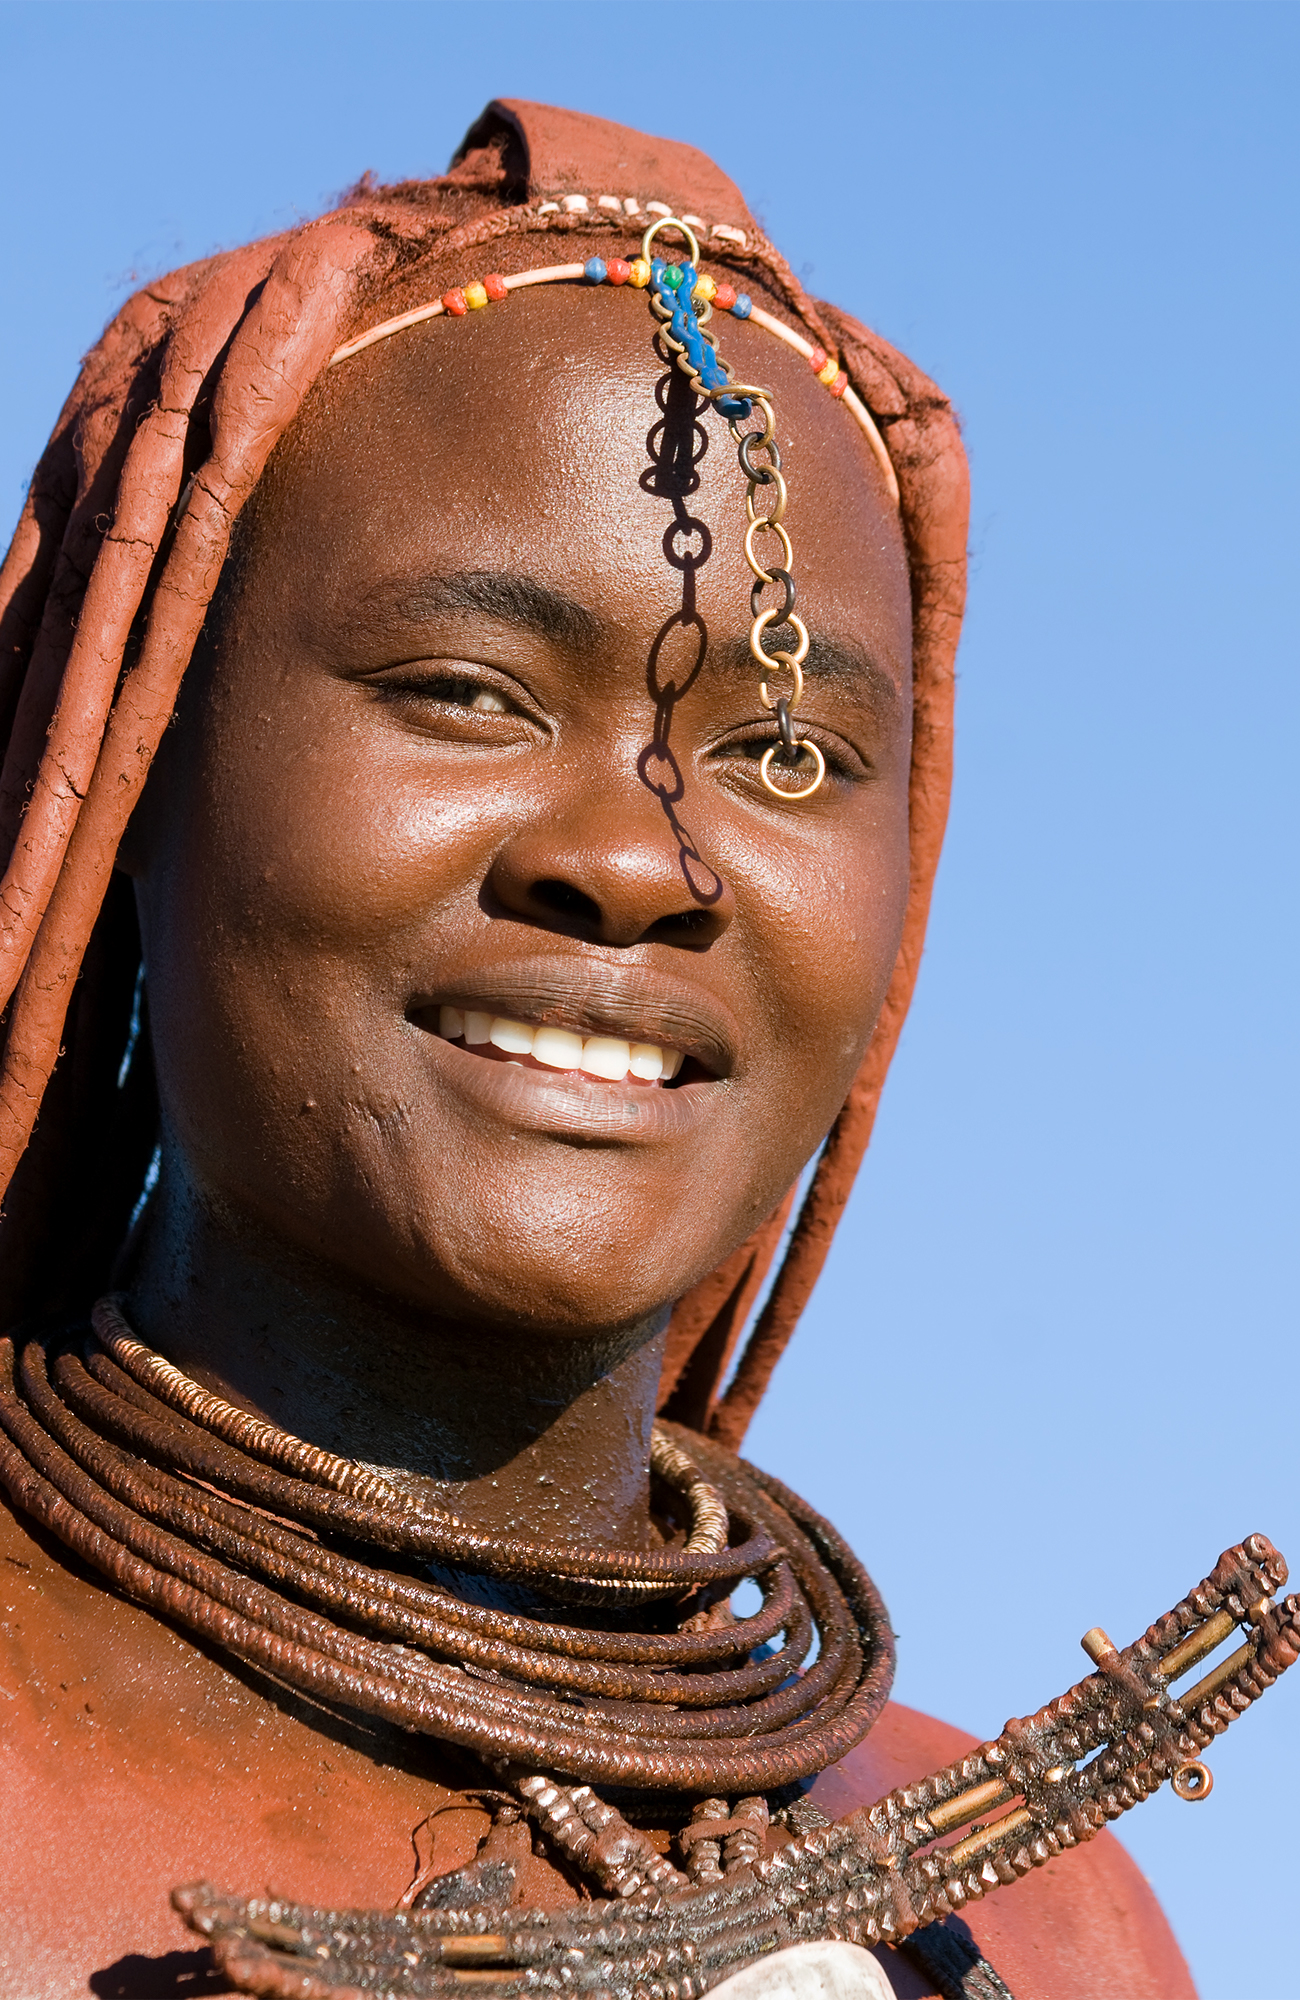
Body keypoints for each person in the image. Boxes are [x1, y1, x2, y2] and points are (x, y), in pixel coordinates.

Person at [0, 100, 1214, 1999]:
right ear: (149, 756)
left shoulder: (1044, 1920)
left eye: (790, 755)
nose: (642, 859)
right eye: (464, 693)